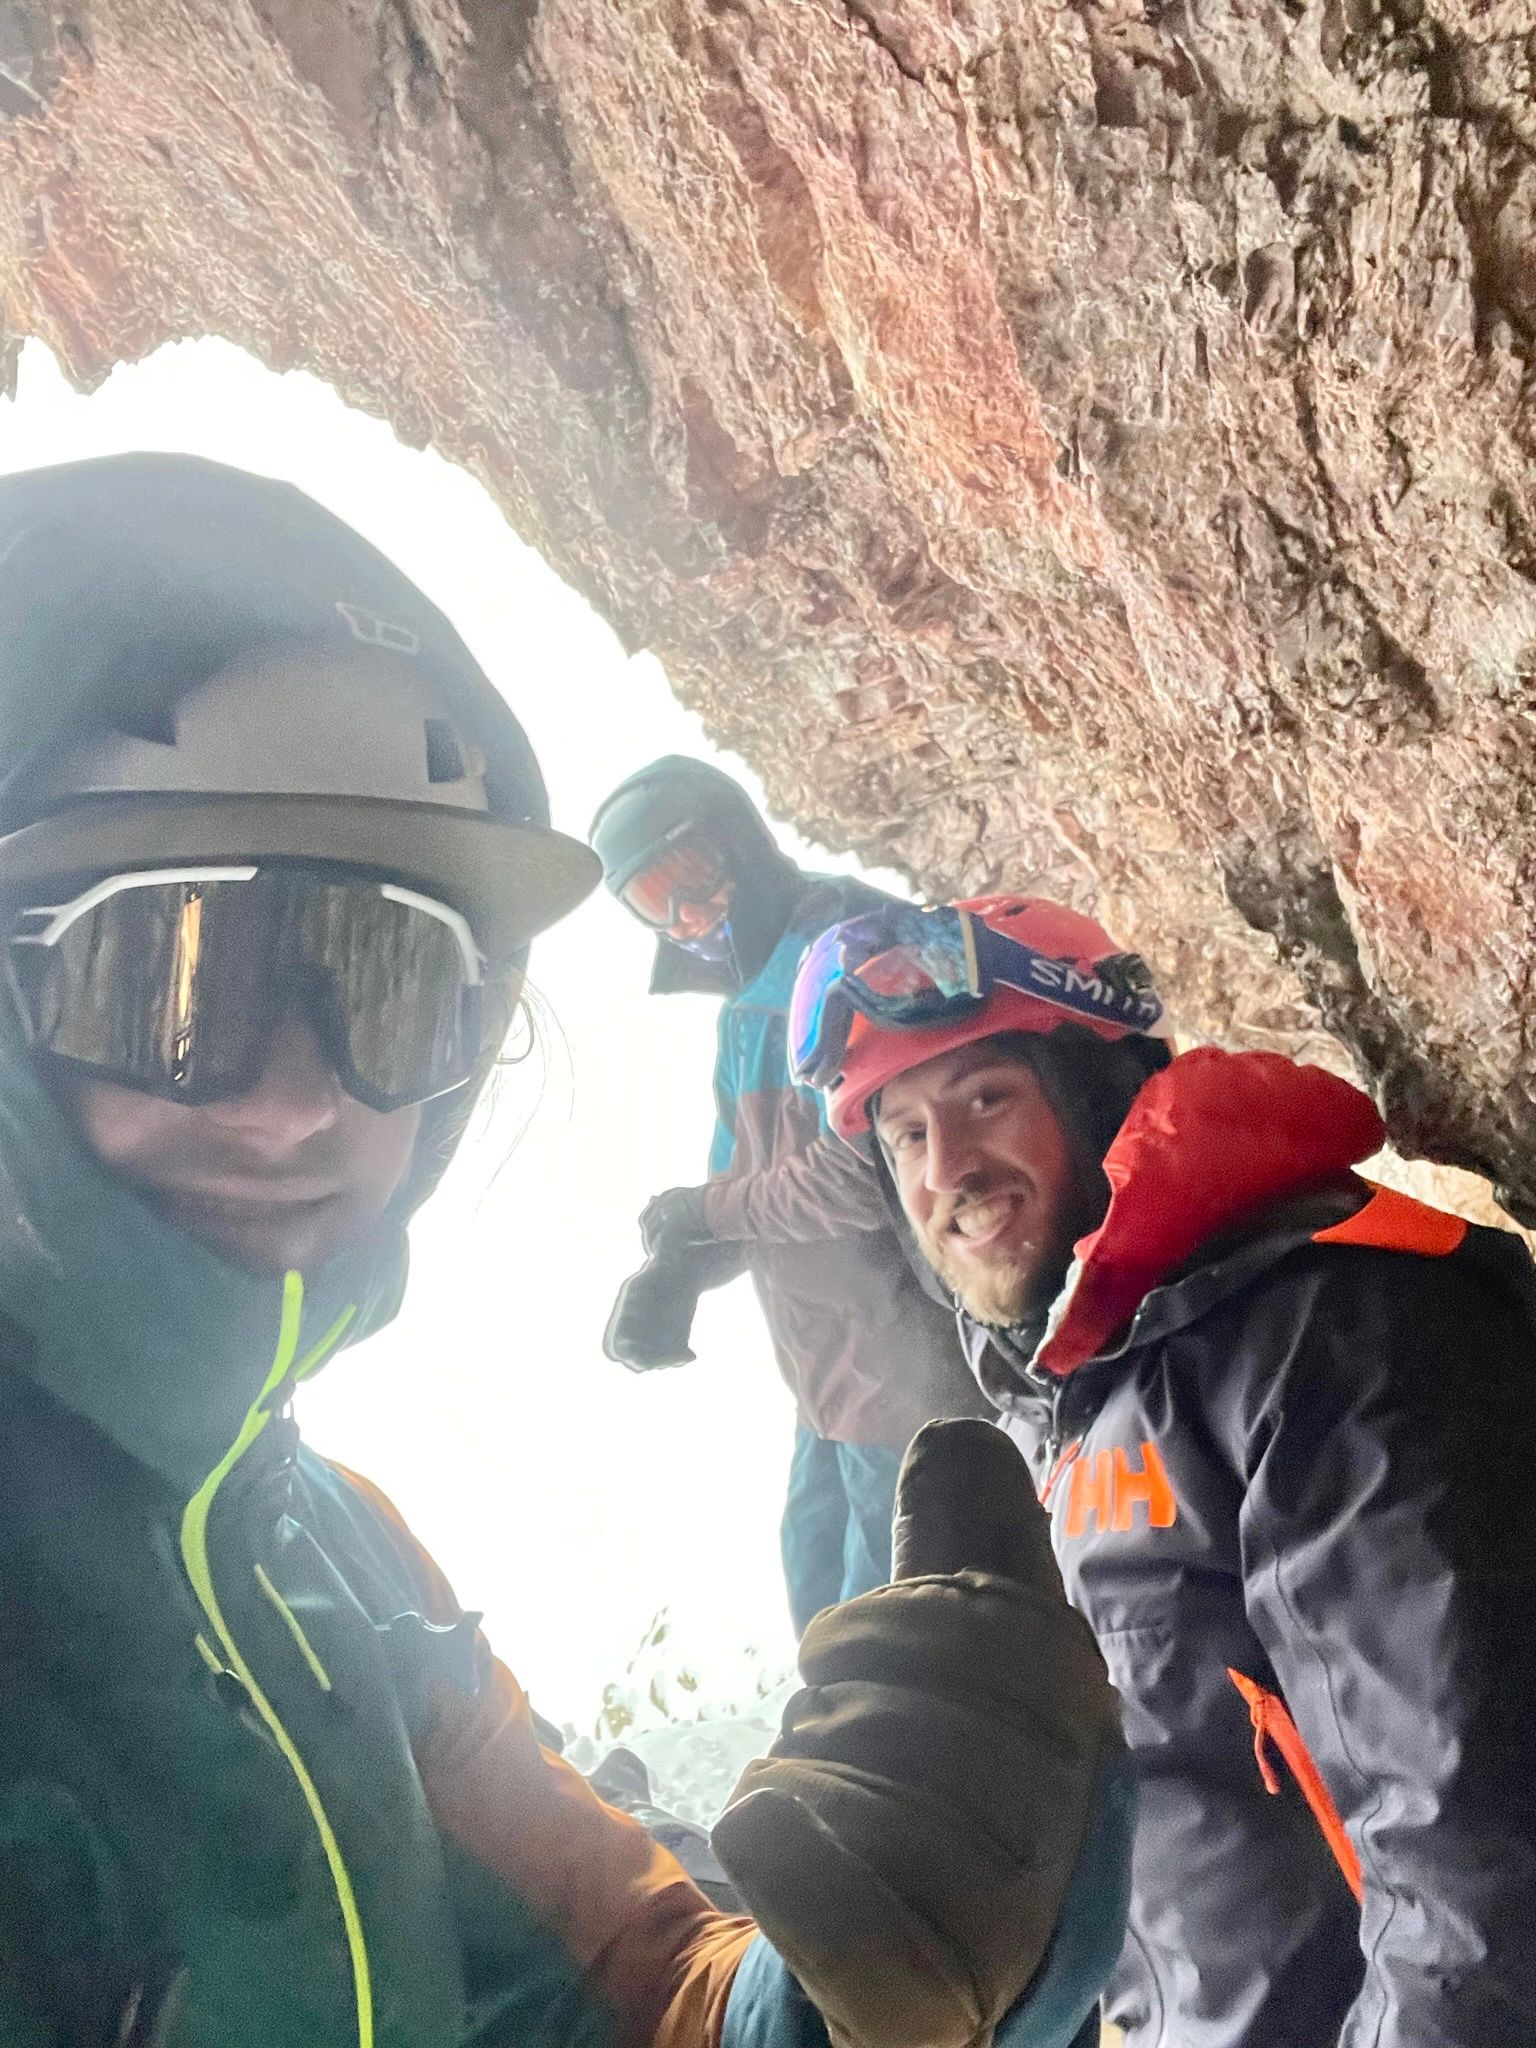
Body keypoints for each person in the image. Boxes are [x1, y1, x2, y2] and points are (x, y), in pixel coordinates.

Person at [0, 456, 1132, 2048]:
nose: (295, 1100)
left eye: (392, 985)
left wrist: (846, 1983)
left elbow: (622, 1970)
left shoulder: (326, 1551)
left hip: (882, 1389)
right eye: (164, 977)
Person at [791, 892, 1536, 2047]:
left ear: (1097, 1095)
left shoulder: (1327, 1333)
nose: (950, 1170)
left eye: (988, 1098)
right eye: (906, 1135)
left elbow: (1473, 1842)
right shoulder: (1070, 1405)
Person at [590, 760, 988, 1632]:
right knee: (818, 1596)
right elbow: (740, 1189)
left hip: (914, 1382)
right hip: (833, 1386)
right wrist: (681, 1270)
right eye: (657, 903)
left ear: (743, 843)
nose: (689, 916)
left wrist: (706, 1216)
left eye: (695, 877)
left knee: (892, 1639)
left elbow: (862, 1177)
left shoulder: (860, 957)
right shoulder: (744, 1015)